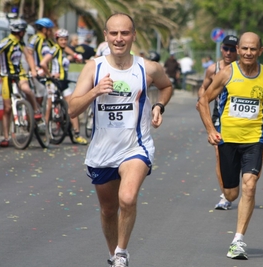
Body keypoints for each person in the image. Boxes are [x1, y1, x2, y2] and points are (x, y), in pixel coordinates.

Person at [68, 13, 173, 267]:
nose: (119, 38)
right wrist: (95, 91)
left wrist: (158, 106)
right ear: (106, 36)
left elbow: (166, 86)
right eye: (114, 33)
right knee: (108, 210)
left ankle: (122, 254)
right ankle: (114, 255)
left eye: (125, 33)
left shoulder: (147, 68)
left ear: (133, 36)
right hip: (102, 151)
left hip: (136, 146)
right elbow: (72, 109)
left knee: (127, 198)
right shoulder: (94, 67)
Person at [197, 32, 263, 260]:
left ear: (260, 51)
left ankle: (238, 240)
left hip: (254, 139)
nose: (247, 53)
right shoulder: (227, 73)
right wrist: (210, 130)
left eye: (252, 49)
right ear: (238, 50)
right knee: (231, 193)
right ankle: (227, 193)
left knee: (250, 185)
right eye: (244, 48)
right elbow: (203, 100)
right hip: (228, 139)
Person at [197, 35, 238, 210]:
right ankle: (225, 195)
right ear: (221, 49)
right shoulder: (213, 69)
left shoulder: (242, 69)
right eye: (226, 48)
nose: (229, 52)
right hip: (219, 118)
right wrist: (202, 101)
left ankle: (234, 186)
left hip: (240, 120)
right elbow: (203, 88)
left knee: (237, 157)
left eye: (233, 49)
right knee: (220, 156)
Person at [39, 29, 88, 145]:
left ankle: (76, 134)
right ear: (57, 40)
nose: (64, 42)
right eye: (61, 40)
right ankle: (46, 133)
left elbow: (67, 49)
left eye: (66, 39)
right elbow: (43, 63)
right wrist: (49, 74)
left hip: (63, 82)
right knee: (49, 107)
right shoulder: (55, 49)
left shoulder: (62, 49)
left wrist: (75, 55)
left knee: (72, 106)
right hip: (53, 82)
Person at [0, 19, 42, 147]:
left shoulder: (21, 43)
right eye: (23, 31)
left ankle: (35, 109)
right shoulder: (6, 42)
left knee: (27, 90)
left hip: (20, 74)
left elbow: (28, 56)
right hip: (6, 76)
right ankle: (6, 137)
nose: (24, 33)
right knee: (7, 109)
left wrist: (33, 70)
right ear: (20, 31)